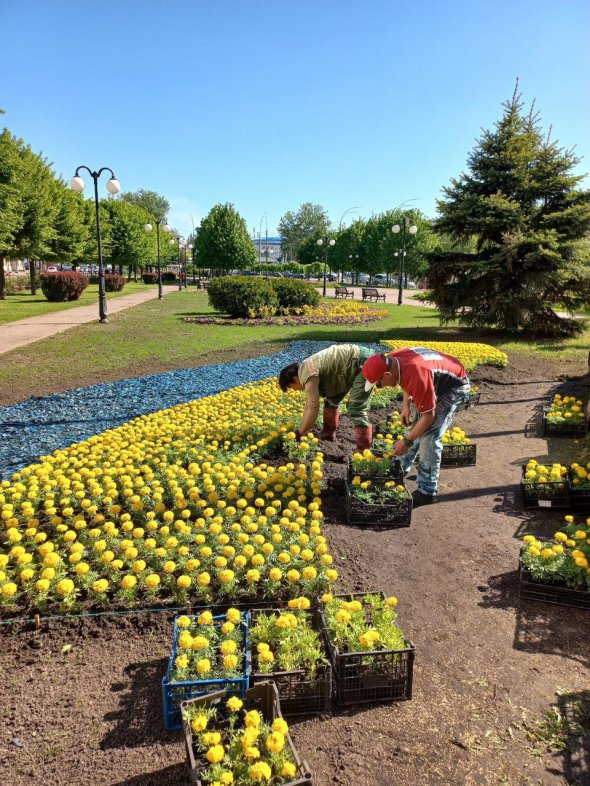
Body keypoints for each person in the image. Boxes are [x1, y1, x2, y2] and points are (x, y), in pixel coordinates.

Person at [362, 347, 470, 507]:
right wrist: (406, 405)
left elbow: (429, 416)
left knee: (430, 435)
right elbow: (404, 377)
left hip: (455, 387)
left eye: (379, 385)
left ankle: (427, 491)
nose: (380, 387)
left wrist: (406, 441)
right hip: (433, 380)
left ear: (386, 375)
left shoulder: (416, 373)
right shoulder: (391, 360)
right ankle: (399, 468)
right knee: (417, 427)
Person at [278, 343, 376, 449]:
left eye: (292, 388)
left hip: (362, 362)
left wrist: (300, 433)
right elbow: (308, 405)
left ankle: (364, 448)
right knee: (330, 402)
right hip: (348, 368)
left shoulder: (307, 375)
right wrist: (302, 430)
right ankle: (328, 434)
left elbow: (313, 407)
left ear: (294, 380)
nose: (296, 390)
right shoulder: (305, 368)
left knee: (356, 408)